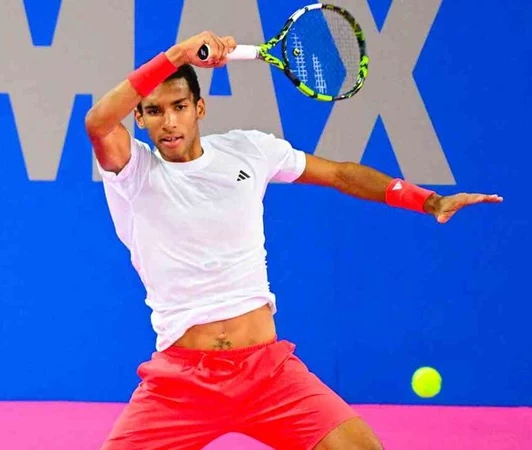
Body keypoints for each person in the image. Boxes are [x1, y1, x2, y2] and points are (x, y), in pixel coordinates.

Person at [85, 31, 502, 450]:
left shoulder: (249, 150)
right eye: (154, 111)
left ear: (200, 108)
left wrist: (428, 200)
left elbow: (340, 175)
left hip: (267, 374)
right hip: (182, 384)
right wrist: (176, 55)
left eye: (179, 107)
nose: (169, 122)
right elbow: (98, 122)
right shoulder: (133, 172)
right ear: (139, 118)